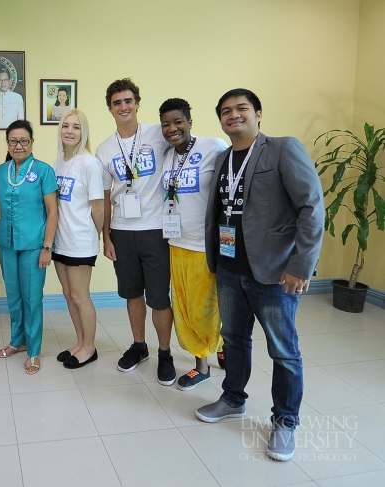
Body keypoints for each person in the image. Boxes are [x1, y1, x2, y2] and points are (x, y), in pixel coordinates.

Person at [195, 89, 324, 462]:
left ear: (258, 114)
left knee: (283, 351)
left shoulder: (283, 148)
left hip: (273, 273)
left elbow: (311, 208)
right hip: (230, 268)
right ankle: (233, 398)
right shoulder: (222, 158)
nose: (233, 115)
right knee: (234, 340)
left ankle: (285, 421)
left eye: (241, 109)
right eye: (225, 111)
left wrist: (301, 265)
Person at [96, 78, 176, 385]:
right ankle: (139, 345)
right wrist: (106, 237)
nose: (123, 107)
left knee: (159, 297)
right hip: (122, 231)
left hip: (155, 229)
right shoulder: (104, 150)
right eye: (117, 103)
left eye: (128, 101)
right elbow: (104, 198)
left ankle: (165, 353)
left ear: (137, 103)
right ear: (110, 108)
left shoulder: (158, 134)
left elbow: (186, 148)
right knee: (131, 294)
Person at [158, 99, 228, 390]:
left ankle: (202, 366)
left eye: (178, 122)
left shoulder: (214, 147)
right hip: (176, 242)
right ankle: (220, 345)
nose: (172, 129)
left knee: (203, 307)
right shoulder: (167, 157)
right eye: (166, 124)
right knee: (183, 305)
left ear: (189, 121)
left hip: (204, 244)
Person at [0, 120, 58, 374]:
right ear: (8, 143)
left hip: (34, 244)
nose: (18, 145)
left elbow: (53, 211)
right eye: (13, 141)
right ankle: (17, 341)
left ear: (32, 142)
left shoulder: (44, 171)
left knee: (32, 299)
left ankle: (33, 350)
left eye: (23, 141)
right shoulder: (1, 170)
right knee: (14, 296)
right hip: (6, 243)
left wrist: (47, 247)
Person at [52, 109, 104, 369]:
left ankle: (89, 348)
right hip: (60, 239)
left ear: (84, 132)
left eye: (76, 127)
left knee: (80, 295)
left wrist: (95, 236)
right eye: (65, 126)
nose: (70, 131)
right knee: (68, 293)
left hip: (81, 241)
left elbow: (98, 207)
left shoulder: (89, 163)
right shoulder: (59, 161)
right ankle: (80, 342)